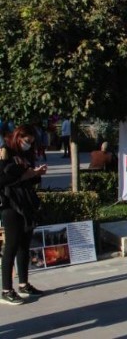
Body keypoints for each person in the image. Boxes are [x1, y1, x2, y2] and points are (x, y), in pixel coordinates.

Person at [0, 125, 48, 305]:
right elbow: (2, 179)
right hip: (10, 204)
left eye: (32, 142)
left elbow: (30, 177)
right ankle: (6, 289)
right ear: (19, 137)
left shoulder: (25, 154)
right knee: (11, 246)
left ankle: (23, 284)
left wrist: (37, 174)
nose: (29, 145)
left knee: (24, 245)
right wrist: (24, 175)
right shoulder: (6, 151)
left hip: (25, 202)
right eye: (27, 141)